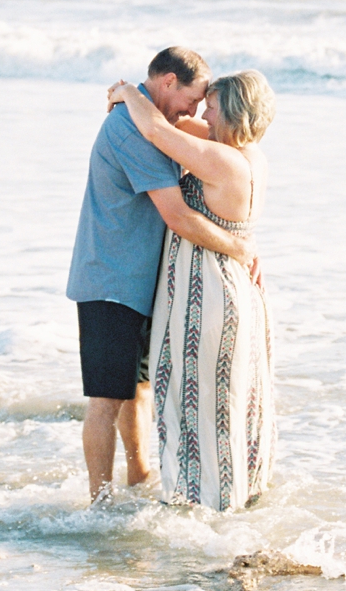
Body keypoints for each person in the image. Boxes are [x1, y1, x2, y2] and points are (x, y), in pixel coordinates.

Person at [68, 47, 256, 501]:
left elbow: (218, 139)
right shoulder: (132, 130)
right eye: (191, 101)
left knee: (138, 392)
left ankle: (138, 481)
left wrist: (127, 91)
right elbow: (176, 215)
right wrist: (239, 249)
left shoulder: (159, 121)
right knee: (105, 403)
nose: (194, 114)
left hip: (139, 283)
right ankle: (100, 505)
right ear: (168, 82)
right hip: (109, 282)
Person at [105, 68, 276, 511]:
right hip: (239, 293)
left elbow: (158, 129)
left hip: (208, 294)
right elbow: (175, 125)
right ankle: (232, 507)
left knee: (199, 406)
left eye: (213, 105)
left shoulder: (221, 160)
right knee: (228, 407)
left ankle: (203, 518)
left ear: (232, 112)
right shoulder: (248, 153)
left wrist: (127, 90)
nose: (204, 112)